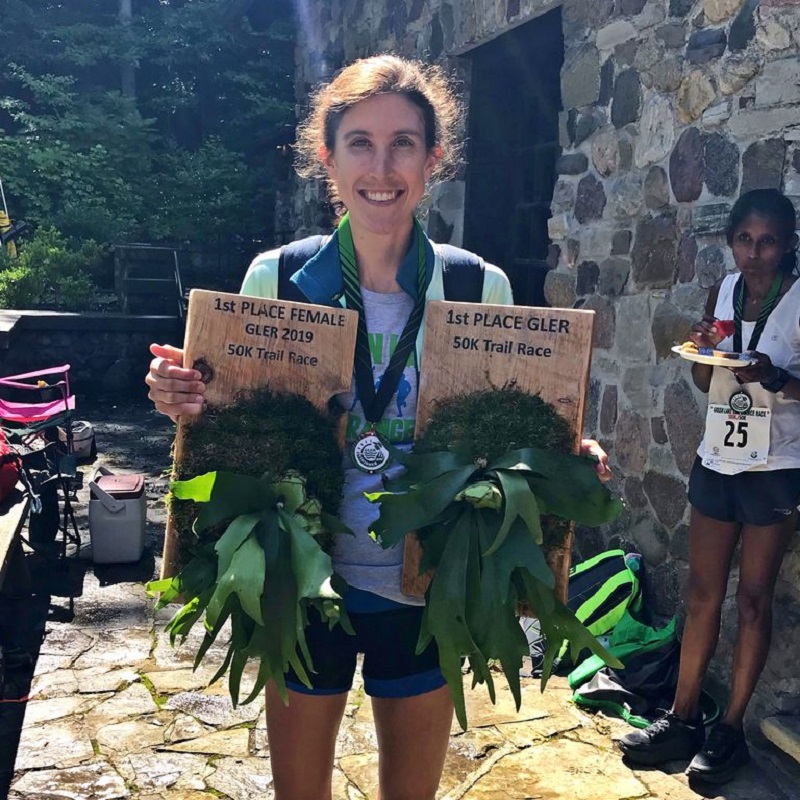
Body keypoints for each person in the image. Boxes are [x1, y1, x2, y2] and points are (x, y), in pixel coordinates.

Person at [146, 54, 611, 800]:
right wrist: (182, 398)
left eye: (403, 143)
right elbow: (226, 422)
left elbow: (519, 424)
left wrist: (563, 460)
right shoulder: (276, 279)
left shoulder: (476, 286)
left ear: (433, 159)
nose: (382, 166)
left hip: (423, 587)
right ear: (327, 159)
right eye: (360, 142)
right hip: (303, 585)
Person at [618, 188, 800, 784]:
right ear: (731, 243)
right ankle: (682, 717)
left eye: (768, 241)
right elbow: (702, 379)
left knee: (751, 601)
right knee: (702, 594)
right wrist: (705, 348)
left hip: (773, 467)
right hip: (717, 459)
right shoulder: (723, 292)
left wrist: (775, 377)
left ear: (788, 243)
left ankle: (730, 732)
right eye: (745, 240)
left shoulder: (798, 300)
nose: (755, 253)